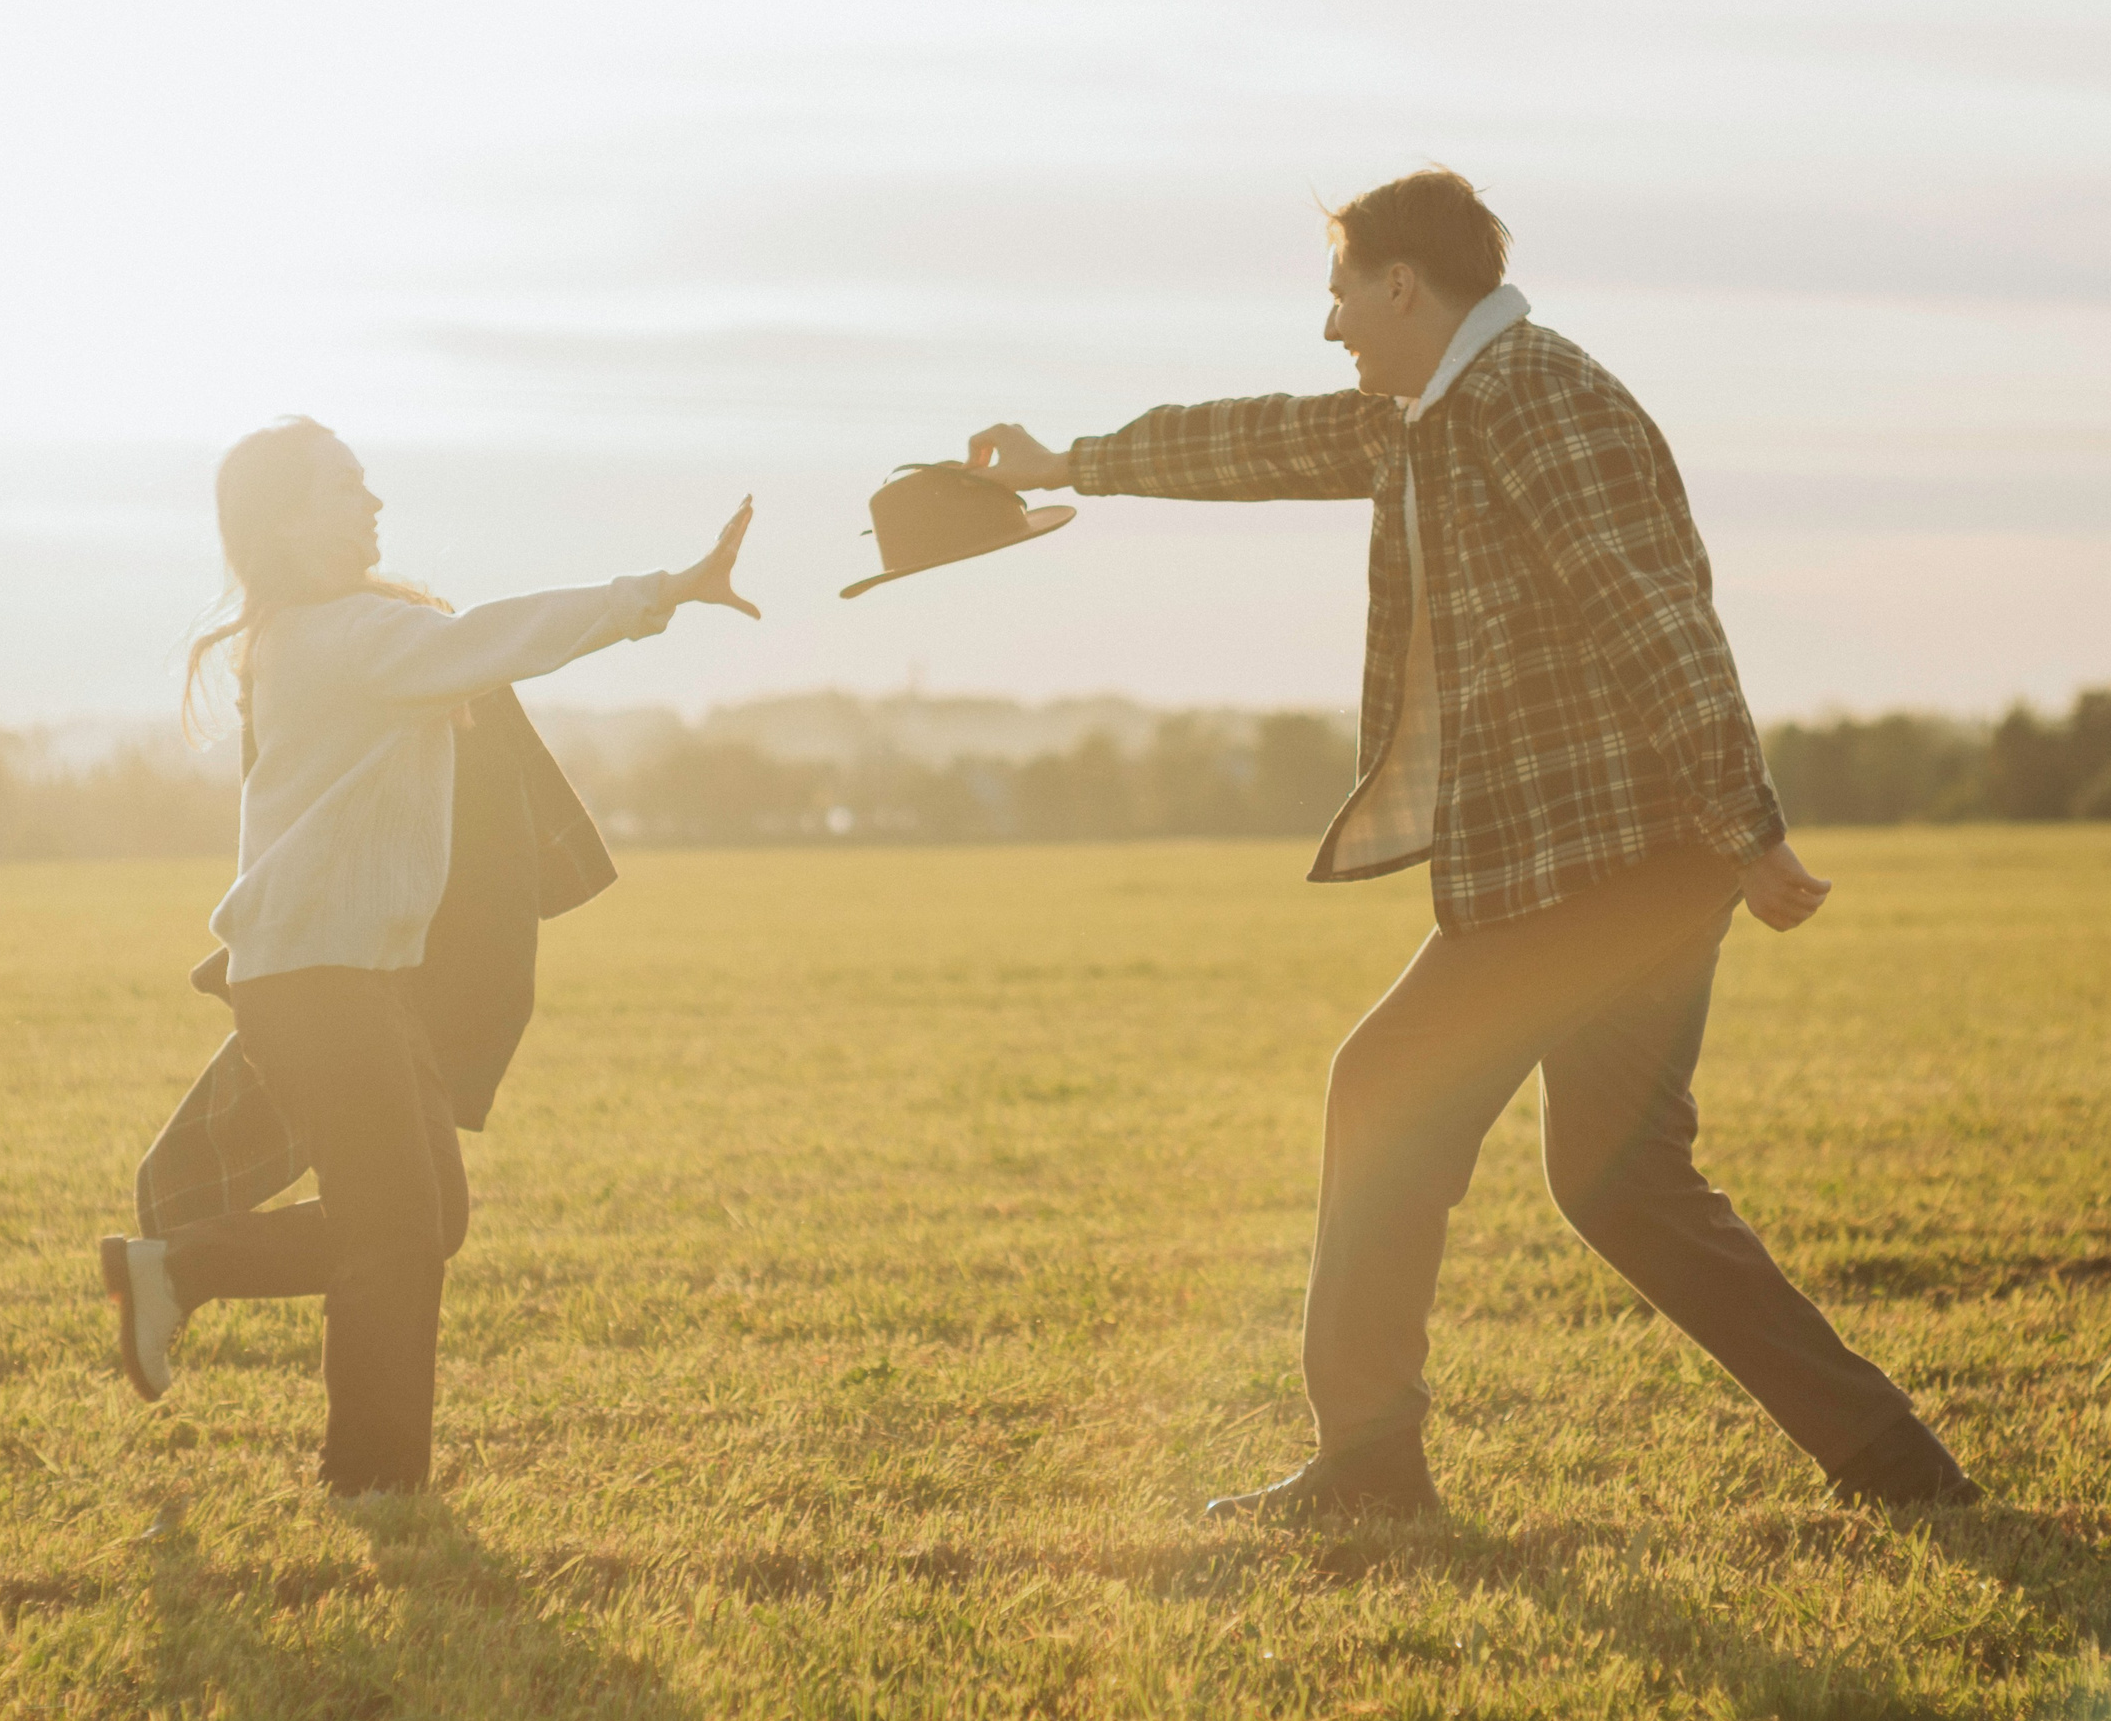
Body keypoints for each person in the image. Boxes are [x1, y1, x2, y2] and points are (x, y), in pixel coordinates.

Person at [964, 169, 1979, 1518]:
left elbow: (1654, 614)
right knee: (1621, 1183)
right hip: (1618, 860)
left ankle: (1369, 1468)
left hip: (1603, 859)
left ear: (1402, 285)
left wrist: (1748, 826)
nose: (1330, 324)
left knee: (1384, 1088)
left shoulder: (1539, 400)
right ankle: (1895, 1464)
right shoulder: (1433, 414)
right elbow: (1264, 441)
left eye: (1340, 293)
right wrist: (1069, 462)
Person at [102, 416, 758, 1498]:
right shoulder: (343, 639)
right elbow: (505, 635)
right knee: (396, 1234)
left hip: (354, 978)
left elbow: (470, 651)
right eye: (346, 487)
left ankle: (182, 1270)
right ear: (286, 522)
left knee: (426, 1221)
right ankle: (374, 1482)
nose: (373, 504)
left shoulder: (336, 636)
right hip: (318, 982)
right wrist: (663, 591)